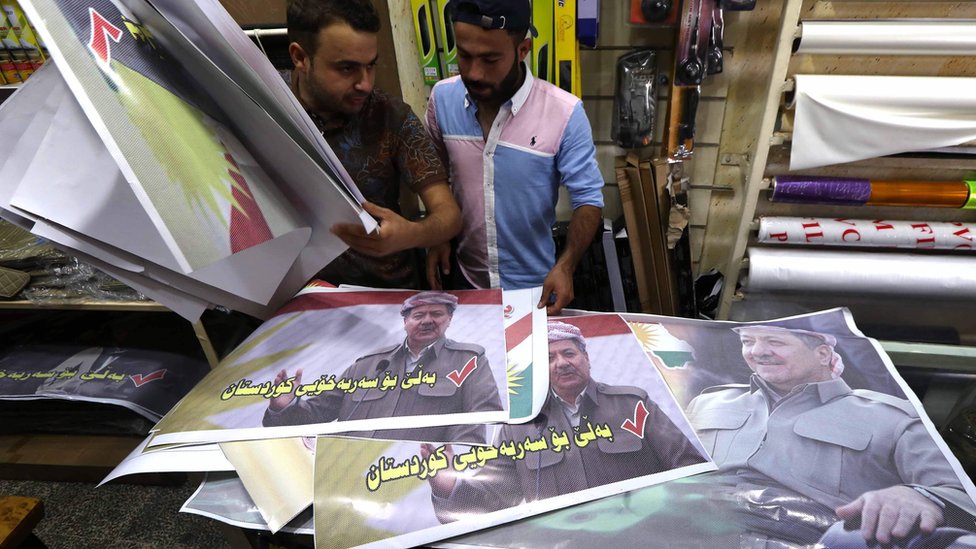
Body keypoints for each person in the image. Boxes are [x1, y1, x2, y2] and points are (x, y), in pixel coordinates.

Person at [685, 325, 976, 547]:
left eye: (775, 341)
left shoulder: (892, 418)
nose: (757, 351)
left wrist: (919, 496)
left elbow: (962, 498)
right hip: (685, 527)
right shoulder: (707, 403)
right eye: (748, 342)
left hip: (815, 538)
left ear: (823, 354)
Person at [425, 320, 706, 522]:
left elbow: (689, 467)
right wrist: (447, 485)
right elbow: (494, 500)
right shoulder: (517, 428)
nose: (561, 362)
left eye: (568, 353)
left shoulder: (632, 404)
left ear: (585, 357)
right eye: (549, 358)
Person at [424, 0, 604, 313]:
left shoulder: (564, 113)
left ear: (523, 50)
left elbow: (588, 200)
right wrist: (436, 233)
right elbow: (433, 174)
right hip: (464, 283)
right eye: (464, 56)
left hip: (535, 291)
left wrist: (567, 266)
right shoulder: (442, 99)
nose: (475, 72)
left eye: (490, 59)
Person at [287, 0, 461, 288]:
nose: (365, 84)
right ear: (300, 57)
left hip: (389, 300)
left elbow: (449, 215)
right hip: (300, 303)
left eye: (371, 66)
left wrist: (411, 234)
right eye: (347, 69)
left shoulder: (391, 116)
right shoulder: (267, 112)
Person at [263, 291, 502, 443]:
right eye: (419, 315)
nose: (428, 320)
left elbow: (479, 421)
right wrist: (282, 408)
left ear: (449, 320)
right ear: (405, 322)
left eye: (437, 314)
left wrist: (446, 464)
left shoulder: (469, 360)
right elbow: (318, 412)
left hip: (414, 478)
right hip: (345, 471)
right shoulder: (367, 365)